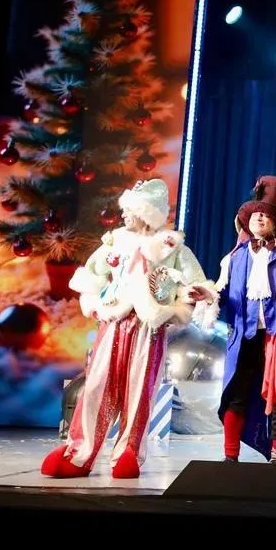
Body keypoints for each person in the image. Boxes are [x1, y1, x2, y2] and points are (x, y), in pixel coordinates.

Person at [42, 179, 215, 479]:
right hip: (114, 321)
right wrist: (95, 303)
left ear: (146, 213)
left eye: (129, 210)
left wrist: (192, 294)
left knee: (139, 389)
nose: (123, 215)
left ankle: (129, 451)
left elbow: (194, 282)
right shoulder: (115, 241)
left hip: (148, 326)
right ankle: (79, 452)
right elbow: (92, 275)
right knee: (97, 386)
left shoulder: (171, 246)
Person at [204, 177, 276, 463]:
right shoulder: (234, 257)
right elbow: (220, 293)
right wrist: (206, 296)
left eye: (266, 214)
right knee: (235, 393)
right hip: (243, 338)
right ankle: (230, 458)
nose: (259, 218)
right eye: (256, 213)